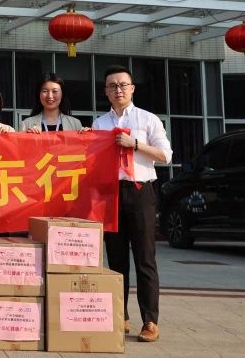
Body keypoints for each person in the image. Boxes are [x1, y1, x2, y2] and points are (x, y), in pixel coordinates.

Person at [92, 65, 171, 343]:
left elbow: (166, 155)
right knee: (116, 260)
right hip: (111, 194)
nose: (118, 90)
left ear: (132, 88)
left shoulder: (148, 119)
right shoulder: (99, 124)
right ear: (105, 91)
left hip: (140, 192)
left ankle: (150, 321)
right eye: (112, 86)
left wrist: (134, 144)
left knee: (145, 258)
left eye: (123, 85)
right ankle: (120, 316)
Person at [19, 72, 85, 133]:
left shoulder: (75, 124)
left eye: (55, 91)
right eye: (45, 91)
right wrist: (28, 137)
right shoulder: (26, 124)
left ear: (62, 94)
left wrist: (87, 134)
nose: (50, 96)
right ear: (38, 94)